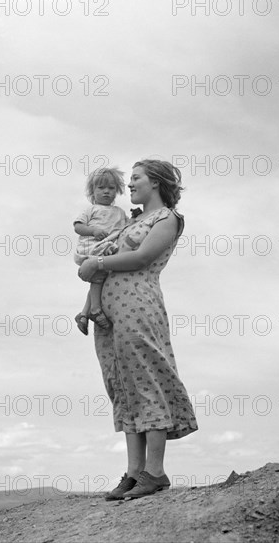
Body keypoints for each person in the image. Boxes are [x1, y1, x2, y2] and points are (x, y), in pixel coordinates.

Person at [78, 159, 198, 500]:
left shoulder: (167, 218)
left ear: (156, 183)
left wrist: (97, 262)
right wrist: (89, 306)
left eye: (136, 178)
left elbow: (143, 257)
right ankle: (133, 472)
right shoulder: (131, 219)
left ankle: (155, 471)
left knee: (146, 379)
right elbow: (104, 268)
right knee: (123, 384)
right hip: (110, 309)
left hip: (138, 302)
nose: (129, 185)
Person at [73, 167, 128, 335]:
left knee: (101, 280)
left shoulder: (119, 212)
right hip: (93, 248)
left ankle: (83, 314)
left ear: (117, 191)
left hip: (107, 249)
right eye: (101, 188)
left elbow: (125, 227)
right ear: (93, 191)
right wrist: (93, 230)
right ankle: (95, 310)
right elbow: (78, 226)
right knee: (98, 279)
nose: (106, 192)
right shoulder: (91, 209)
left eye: (111, 188)